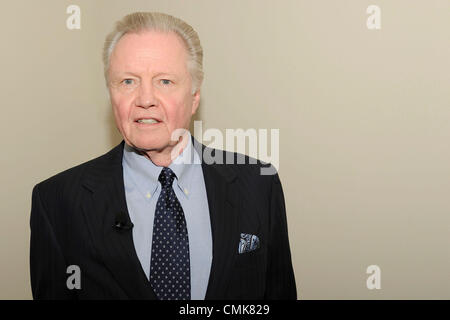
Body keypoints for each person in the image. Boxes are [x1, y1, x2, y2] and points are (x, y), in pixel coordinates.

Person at [30, 12, 296, 300]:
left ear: (194, 97)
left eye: (165, 81)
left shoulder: (258, 184)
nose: (145, 99)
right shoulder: (56, 202)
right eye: (128, 81)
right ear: (111, 93)